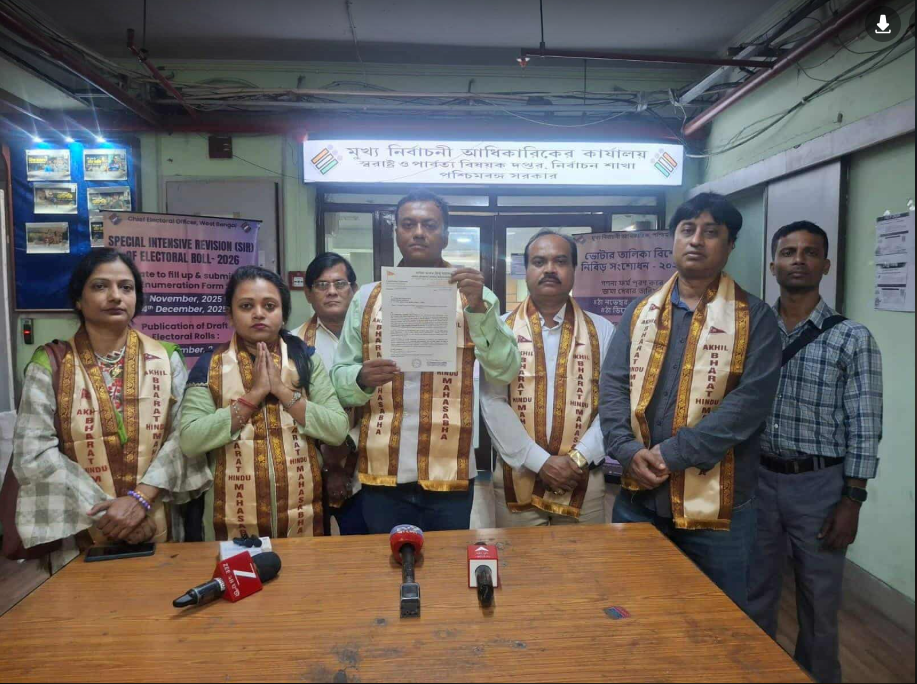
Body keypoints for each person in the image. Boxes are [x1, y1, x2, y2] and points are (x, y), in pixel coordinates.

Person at [600, 192, 781, 611]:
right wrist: (626, 450)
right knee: (633, 609)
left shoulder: (755, 318)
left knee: (716, 617)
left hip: (718, 512)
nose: (696, 240)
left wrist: (671, 454)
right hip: (639, 498)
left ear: (730, 245)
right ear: (674, 239)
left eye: (711, 232)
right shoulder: (640, 312)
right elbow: (612, 386)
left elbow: (748, 406)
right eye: (687, 230)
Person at [331, 189, 520, 533]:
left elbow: (504, 369)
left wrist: (478, 309)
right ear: (397, 233)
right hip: (382, 469)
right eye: (408, 224)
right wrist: (360, 378)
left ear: (445, 235)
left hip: (450, 468)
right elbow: (339, 377)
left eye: (429, 225)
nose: (418, 232)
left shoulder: (475, 296)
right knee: (386, 561)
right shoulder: (367, 298)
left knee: (446, 563)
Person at [9, 249, 210, 570]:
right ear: (79, 299)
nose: (115, 296)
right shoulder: (50, 364)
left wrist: (140, 500)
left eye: (126, 287)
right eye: (100, 286)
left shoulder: (166, 358)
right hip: (80, 529)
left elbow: (183, 439)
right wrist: (112, 513)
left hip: (157, 522)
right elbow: (33, 453)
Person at [748, 222, 883, 684]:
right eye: (788, 252)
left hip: (820, 486)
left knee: (819, 602)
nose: (798, 260)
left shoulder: (852, 338)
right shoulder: (753, 332)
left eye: (810, 253)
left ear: (826, 265)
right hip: (757, 480)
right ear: (773, 265)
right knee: (754, 593)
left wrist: (853, 499)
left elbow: (866, 425)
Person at [180, 266, 349, 540]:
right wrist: (253, 396)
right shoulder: (209, 365)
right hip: (230, 517)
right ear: (230, 315)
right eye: (246, 306)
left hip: (305, 513)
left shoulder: (306, 360)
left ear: (283, 314)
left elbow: (337, 429)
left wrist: (283, 392)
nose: (259, 314)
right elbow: (190, 439)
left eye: (269, 306)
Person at [483, 230, 614, 526]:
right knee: (521, 556)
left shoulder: (602, 330)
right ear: (526, 270)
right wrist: (539, 462)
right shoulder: (500, 329)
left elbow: (612, 403)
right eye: (539, 261)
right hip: (518, 473)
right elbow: (492, 401)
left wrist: (578, 459)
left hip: (583, 479)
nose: (550, 269)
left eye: (561, 261)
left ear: (574, 269)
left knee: (583, 557)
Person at [294, 253, 368, 535]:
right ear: (308, 294)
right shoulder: (293, 345)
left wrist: (348, 448)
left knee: (367, 549)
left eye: (340, 283)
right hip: (311, 466)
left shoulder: (375, 340)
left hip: (368, 466)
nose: (332, 292)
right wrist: (329, 465)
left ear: (355, 289)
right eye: (322, 285)